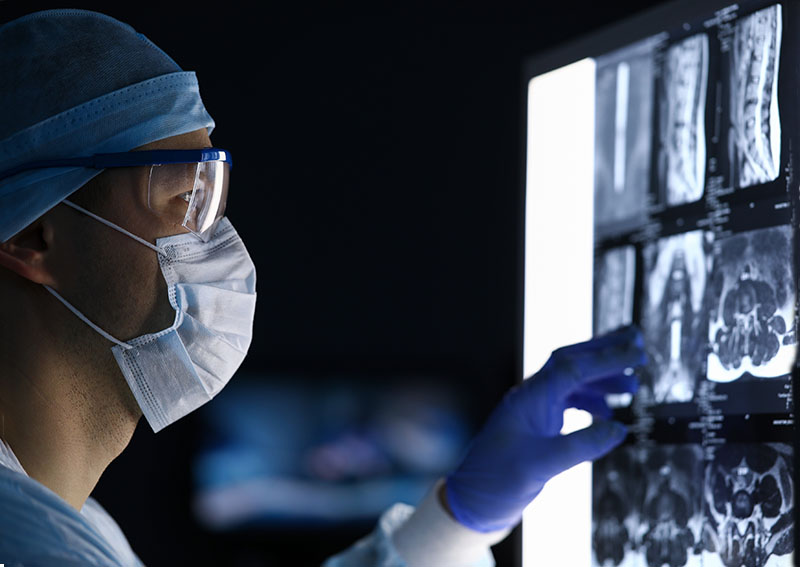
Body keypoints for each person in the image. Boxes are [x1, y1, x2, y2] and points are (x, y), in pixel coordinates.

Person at [0, 10, 645, 567]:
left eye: (216, 197)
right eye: (186, 199)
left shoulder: (74, 526)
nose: (220, 246)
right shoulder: (31, 546)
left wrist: (456, 517)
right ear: (34, 236)